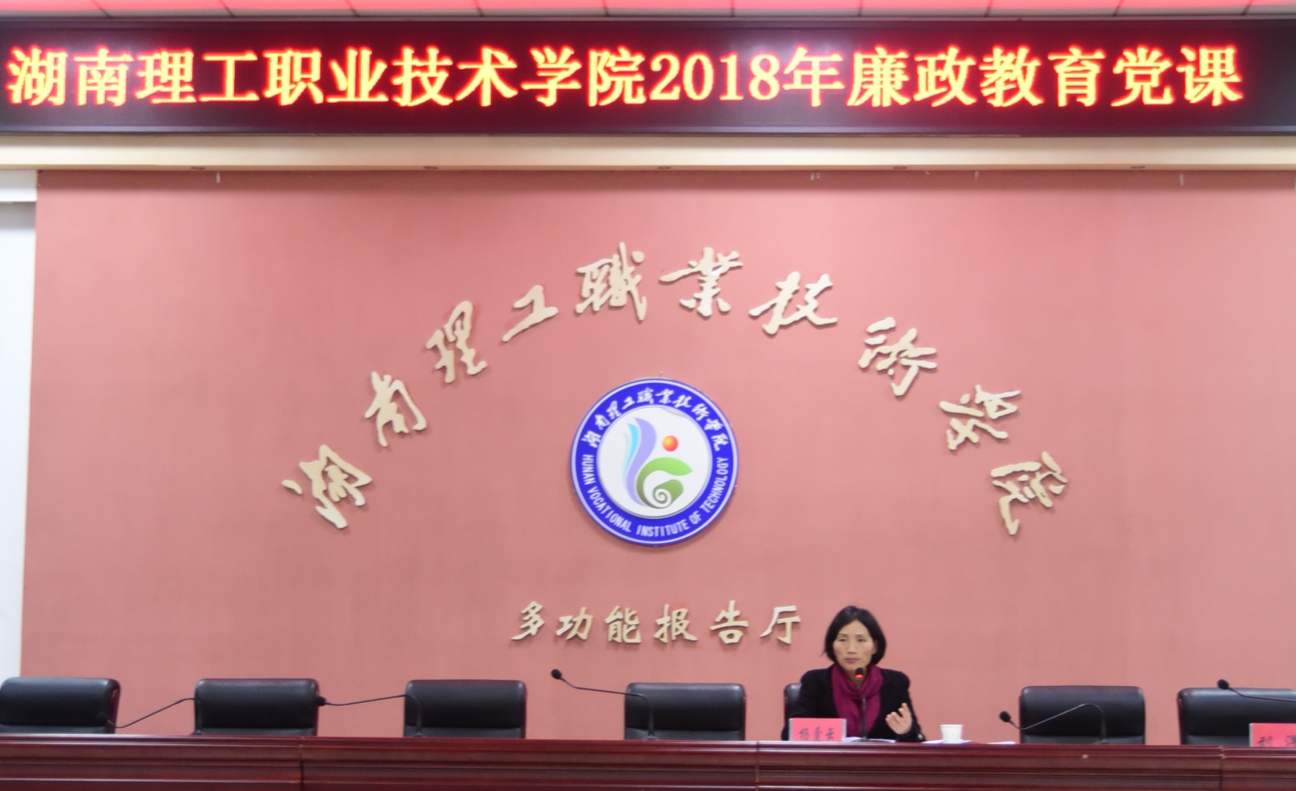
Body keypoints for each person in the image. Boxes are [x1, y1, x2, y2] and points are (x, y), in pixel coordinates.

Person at [783, 605, 923, 741]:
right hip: (832, 758)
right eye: (842, 640)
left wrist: (907, 732)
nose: (851, 649)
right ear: (832, 645)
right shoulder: (815, 683)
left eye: (860, 640)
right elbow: (789, 734)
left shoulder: (896, 684)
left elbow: (917, 740)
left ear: (875, 647)